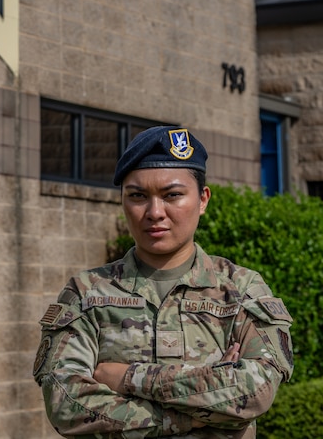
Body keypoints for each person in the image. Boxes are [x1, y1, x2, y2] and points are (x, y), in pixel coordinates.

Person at [33, 126, 293, 438]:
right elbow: (66, 404)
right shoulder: (87, 293)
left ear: (203, 199)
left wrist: (128, 379)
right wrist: (200, 404)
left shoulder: (240, 290)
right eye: (138, 196)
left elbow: (256, 392)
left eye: (172, 195)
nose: (155, 212)